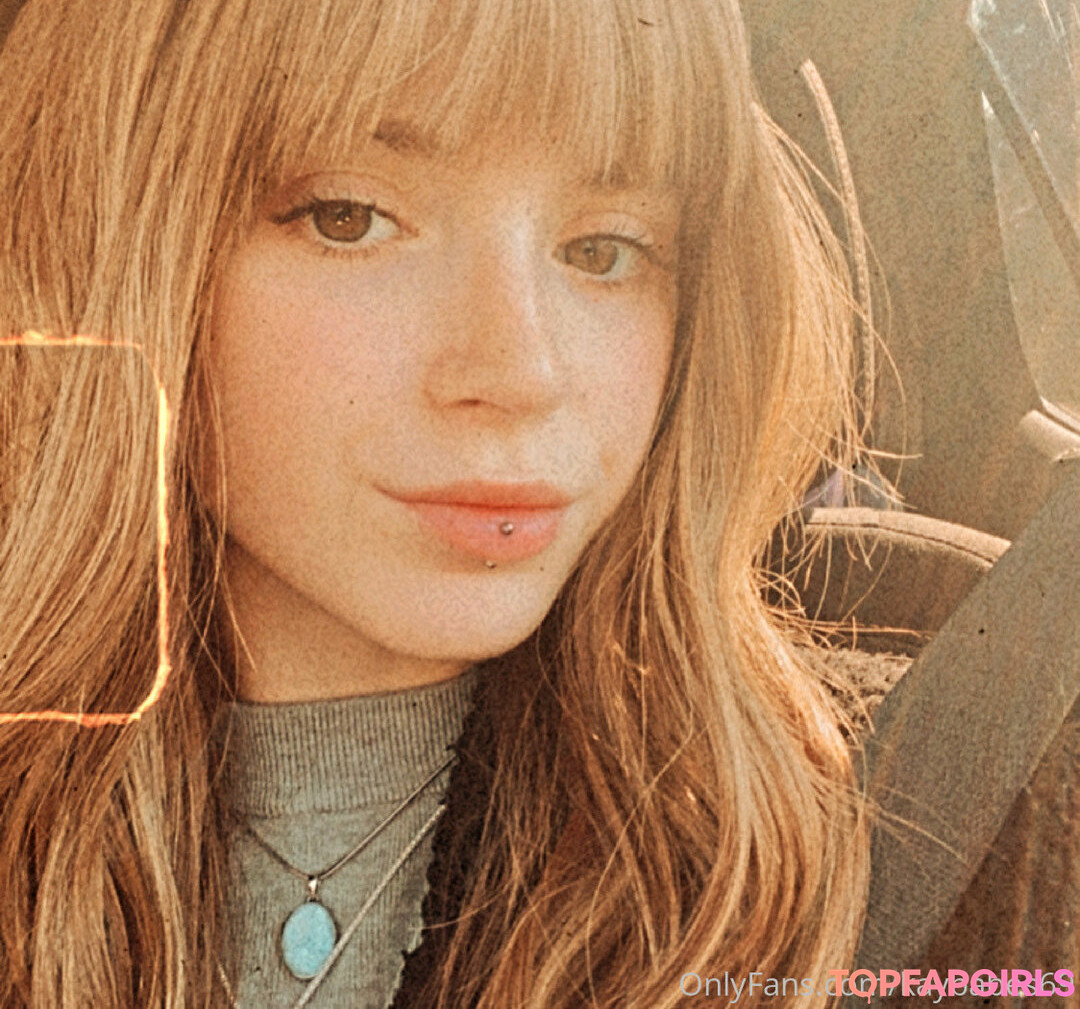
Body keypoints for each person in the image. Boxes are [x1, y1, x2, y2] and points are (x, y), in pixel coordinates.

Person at [0, 1, 870, 1006]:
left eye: (602, 249)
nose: (520, 372)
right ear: (111, 239)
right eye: (350, 218)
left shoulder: (849, 876)